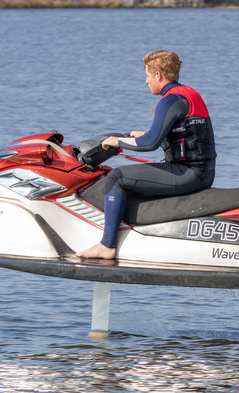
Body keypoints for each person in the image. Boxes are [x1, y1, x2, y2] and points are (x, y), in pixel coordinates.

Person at [76, 50, 216, 259]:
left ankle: (107, 246)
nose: (146, 81)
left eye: (148, 75)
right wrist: (143, 135)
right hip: (202, 171)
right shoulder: (189, 94)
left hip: (188, 174)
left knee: (116, 177)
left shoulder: (169, 101)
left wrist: (117, 141)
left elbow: (150, 144)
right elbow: (184, 134)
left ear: (158, 75)